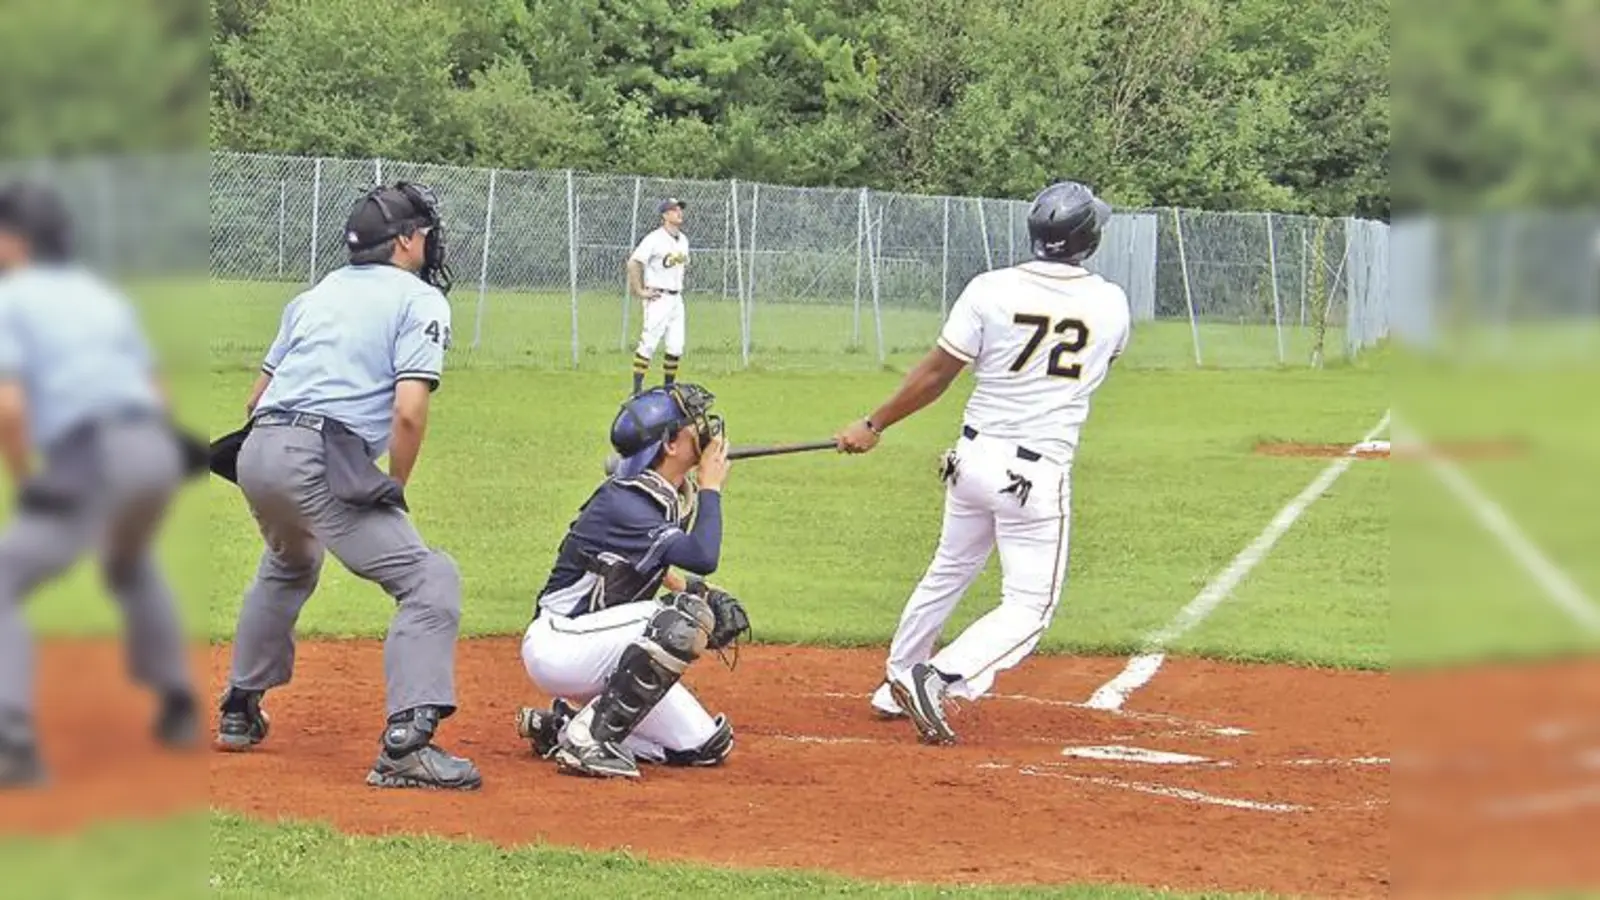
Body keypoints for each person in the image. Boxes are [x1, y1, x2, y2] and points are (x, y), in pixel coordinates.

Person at [834, 181, 1131, 745]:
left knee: (949, 569)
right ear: (1087, 240)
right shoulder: (1111, 302)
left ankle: (897, 679)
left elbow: (936, 374)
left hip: (971, 458)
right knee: (1030, 606)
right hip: (1035, 473)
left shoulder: (990, 288)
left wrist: (873, 424)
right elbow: (1098, 365)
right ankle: (938, 676)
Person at [212, 181, 480, 790]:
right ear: (406, 241)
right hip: (317, 456)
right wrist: (394, 485)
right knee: (428, 579)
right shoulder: (419, 300)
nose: (429, 241)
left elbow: (256, 398)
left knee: (290, 561)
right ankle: (406, 748)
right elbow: (408, 411)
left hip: (257, 451)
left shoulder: (315, 295)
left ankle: (239, 708)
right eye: (424, 232)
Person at [0, 179, 199, 786]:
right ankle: (179, 705)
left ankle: (12, 743)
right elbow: (155, 387)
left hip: (92, 452)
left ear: (16, 240)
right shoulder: (100, 295)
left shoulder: (12, 297)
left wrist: (27, 478)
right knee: (129, 561)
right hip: (155, 449)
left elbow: (9, 405)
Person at [514, 384, 750, 779]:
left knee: (704, 745)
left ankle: (562, 727)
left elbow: (645, 565)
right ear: (669, 445)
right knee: (681, 620)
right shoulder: (626, 503)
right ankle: (589, 739)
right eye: (691, 422)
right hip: (561, 644)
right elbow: (703, 557)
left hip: (599, 646)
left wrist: (695, 591)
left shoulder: (659, 494)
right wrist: (711, 487)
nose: (703, 427)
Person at [627, 199, 691, 395]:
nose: (679, 212)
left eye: (680, 209)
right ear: (665, 215)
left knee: (676, 346)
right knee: (649, 343)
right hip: (658, 296)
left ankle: (668, 389)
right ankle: (636, 390)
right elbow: (633, 263)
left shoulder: (683, 240)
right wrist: (639, 291)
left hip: (676, 298)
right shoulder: (654, 239)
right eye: (674, 210)